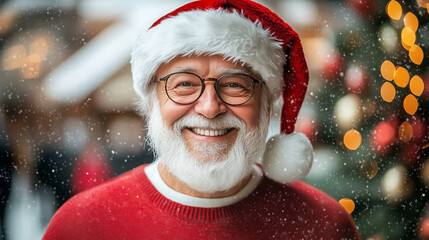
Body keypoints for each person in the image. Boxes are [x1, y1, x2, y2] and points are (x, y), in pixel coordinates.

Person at [43, 0, 360, 239]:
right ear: (152, 103)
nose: (210, 107)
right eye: (184, 85)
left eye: (235, 85)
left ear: (267, 105)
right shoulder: (82, 225)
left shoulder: (323, 225)